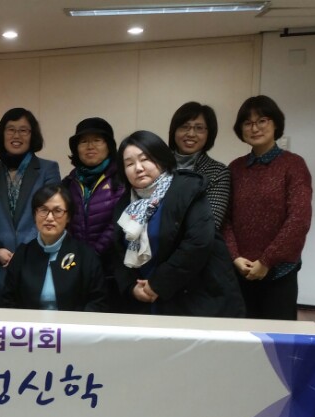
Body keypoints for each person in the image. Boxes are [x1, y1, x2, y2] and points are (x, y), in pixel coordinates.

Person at [111, 130, 244, 317]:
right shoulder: (125, 204)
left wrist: (158, 284)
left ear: (161, 159)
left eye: (145, 159)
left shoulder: (187, 189)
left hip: (197, 299)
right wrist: (131, 287)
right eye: (129, 164)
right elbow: (118, 252)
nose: (138, 168)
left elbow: (198, 242)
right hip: (147, 302)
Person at [224, 95, 312, 320]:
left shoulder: (293, 165)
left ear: (275, 123)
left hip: (279, 272)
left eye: (262, 120)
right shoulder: (235, 168)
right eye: (248, 123)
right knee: (241, 335)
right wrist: (235, 257)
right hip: (241, 271)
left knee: (278, 337)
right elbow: (226, 219)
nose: (255, 128)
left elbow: (299, 219)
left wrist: (266, 261)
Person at [0, 107, 61, 301]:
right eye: (11, 129)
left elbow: (50, 212)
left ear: (32, 135)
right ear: (2, 134)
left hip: (36, 256)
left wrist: (24, 251)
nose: (17, 135)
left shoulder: (48, 169)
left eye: (23, 130)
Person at [1, 184, 106, 312]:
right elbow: (8, 301)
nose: (49, 218)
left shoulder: (86, 256)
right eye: (43, 210)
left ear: (68, 216)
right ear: (35, 214)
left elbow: (98, 302)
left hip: (74, 324)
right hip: (30, 324)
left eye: (57, 211)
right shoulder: (22, 254)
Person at [61, 117, 127, 310]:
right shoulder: (68, 182)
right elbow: (62, 222)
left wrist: (91, 256)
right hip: (75, 269)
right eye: (83, 141)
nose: (90, 146)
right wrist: (77, 259)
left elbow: (119, 222)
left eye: (97, 140)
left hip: (112, 272)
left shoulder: (121, 180)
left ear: (109, 145)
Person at [168, 101, 231, 229]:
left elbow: (210, 224)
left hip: (196, 240)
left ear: (209, 134)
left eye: (199, 128)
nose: (191, 134)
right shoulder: (157, 164)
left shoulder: (218, 172)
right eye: (184, 126)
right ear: (174, 131)